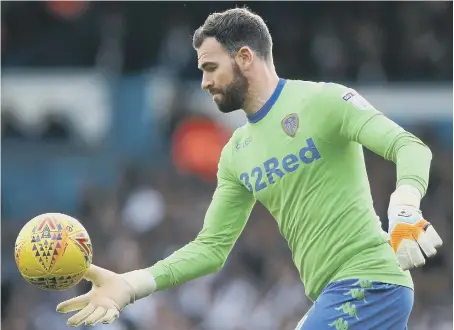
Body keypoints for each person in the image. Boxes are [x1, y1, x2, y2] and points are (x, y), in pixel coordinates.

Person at [56, 7, 443, 329]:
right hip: (335, 291)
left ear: (244, 57)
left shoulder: (325, 101)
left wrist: (404, 208)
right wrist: (130, 284)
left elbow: (408, 146)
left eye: (210, 67)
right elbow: (211, 248)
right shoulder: (237, 151)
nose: (205, 82)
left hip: (370, 282)